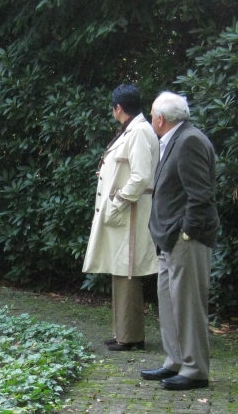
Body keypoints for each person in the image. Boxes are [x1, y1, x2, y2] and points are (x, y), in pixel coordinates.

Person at [140, 92, 219, 391]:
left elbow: (201, 196)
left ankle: (195, 369)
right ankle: (175, 361)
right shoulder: (175, 139)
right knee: (169, 303)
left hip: (186, 238)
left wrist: (186, 232)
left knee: (188, 306)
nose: (150, 119)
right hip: (168, 238)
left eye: (152, 114)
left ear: (161, 118)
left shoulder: (189, 141)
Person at [83, 84, 159, 351]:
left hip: (130, 212)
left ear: (118, 108)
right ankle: (122, 333)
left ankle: (131, 337)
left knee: (128, 271)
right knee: (120, 270)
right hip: (125, 212)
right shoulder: (132, 130)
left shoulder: (138, 132)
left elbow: (140, 176)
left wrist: (117, 202)